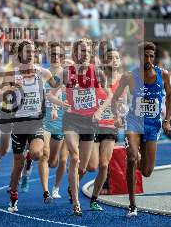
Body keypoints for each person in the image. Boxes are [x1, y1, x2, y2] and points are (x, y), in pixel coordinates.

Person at [111, 41, 171, 217]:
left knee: (146, 171)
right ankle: (132, 205)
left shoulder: (164, 75)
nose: (148, 59)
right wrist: (116, 117)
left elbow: (170, 96)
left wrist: (167, 119)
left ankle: (135, 157)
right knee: (131, 157)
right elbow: (115, 99)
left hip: (153, 125)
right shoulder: (129, 76)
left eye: (151, 56)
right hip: (134, 123)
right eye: (145, 55)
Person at [5, 40, 67, 212]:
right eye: (27, 51)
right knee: (17, 165)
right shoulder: (13, 73)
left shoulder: (42, 72)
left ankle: (30, 161)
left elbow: (57, 86)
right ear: (20, 54)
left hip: (36, 122)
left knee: (37, 153)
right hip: (18, 124)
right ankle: (14, 197)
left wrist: (66, 74)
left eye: (33, 51)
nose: (31, 53)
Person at [63, 38, 102, 216]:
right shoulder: (67, 72)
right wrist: (59, 105)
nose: (84, 54)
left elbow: (108, 95)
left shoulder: (97, 72)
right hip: (71, 119)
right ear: (75, 53)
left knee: (86, 167)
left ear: (90, 53)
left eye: (87, 51)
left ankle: (73, 186)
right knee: (75, 158)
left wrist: (100, 111)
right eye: (81, 51)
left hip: (89, 122)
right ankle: (76, 203)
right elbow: (52, 91)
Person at [88, 48, 125, 211]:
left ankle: (94, 199)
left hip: (110, 126)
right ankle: (73, 185)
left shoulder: (123, 81)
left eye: (117, 57)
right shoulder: (98, 76)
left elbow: (123, 105)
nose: (114, 60)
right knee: (91, 166)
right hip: (94, 125)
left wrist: (121, 117)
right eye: (110, 57)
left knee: (104, 165)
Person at [38, 44, 69, 202]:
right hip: (45, 118)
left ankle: (56, 187)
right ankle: (46, 192)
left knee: (57, 161)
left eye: (59, 55)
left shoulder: (67, 72)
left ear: (62, 57)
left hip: (63, 120)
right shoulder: (43, 73)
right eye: (53, 55)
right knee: (44, 154)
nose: (55, 57)